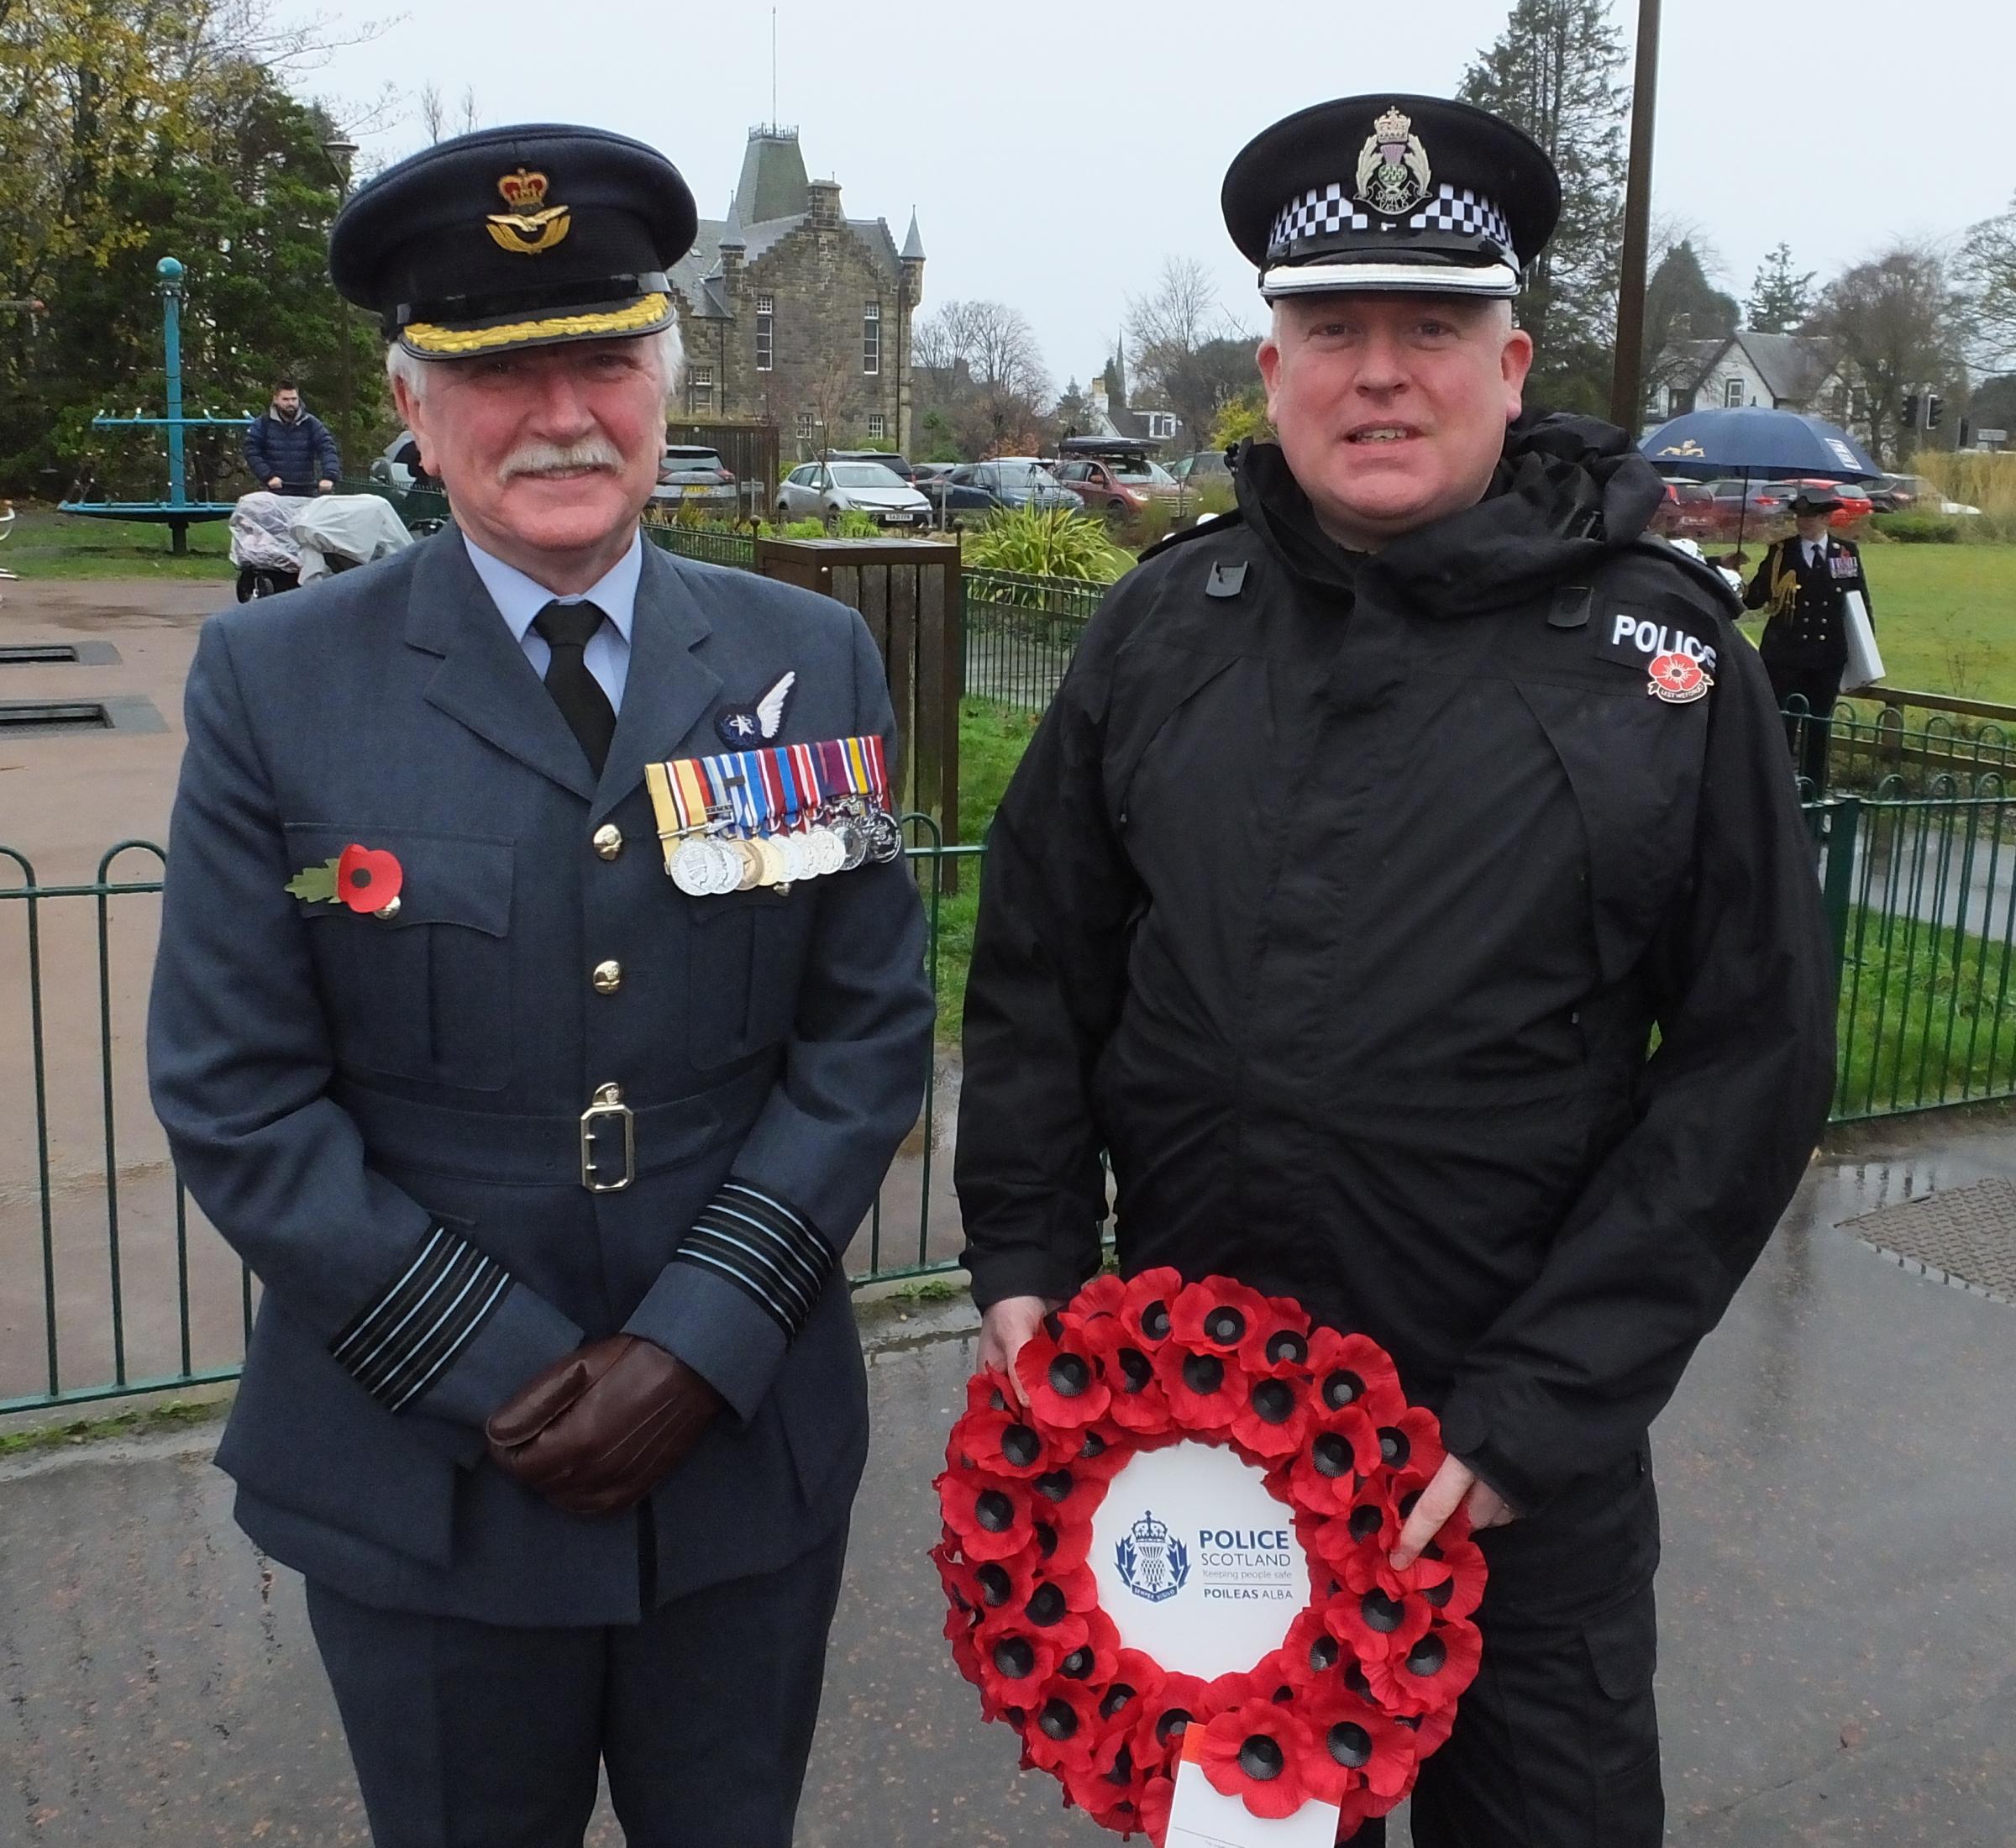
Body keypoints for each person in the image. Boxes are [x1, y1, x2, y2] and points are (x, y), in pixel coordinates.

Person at [954, 93, 1836, 1848]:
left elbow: (1750, 1063)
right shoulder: (1164, 625)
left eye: (1429, 330)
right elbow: (1040, 966)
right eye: (1334, 330)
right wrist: (1028, 1251)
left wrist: (1538, 1410)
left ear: (1510, 366)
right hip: (1205, 1440)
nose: (1380, 373)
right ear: (1269, 368)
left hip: (1511, 1464)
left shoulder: (1659, 658)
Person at [150, 123, 933, 1848]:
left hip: (736, 1463)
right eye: (497, 372)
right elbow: (234, 1087)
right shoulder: (278, 685)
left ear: (665, 383)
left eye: (602, 357)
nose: (560, 412)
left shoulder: (812, 661)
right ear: (412, 411)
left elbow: (864, 1033)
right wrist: (498, 1362)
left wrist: (693, 1343)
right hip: (426, 1474)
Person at [1745, 488, 1875, 792]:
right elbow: (1755, 599)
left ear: (1827, 518)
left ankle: (1815, 794)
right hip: (1785, 658)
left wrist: (1866, 655)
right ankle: (1777, 793)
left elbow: (1860, 604)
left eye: (1811, 516)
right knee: (1782, 727)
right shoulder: (1781, 553)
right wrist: (1737, 580)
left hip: (1827, 657)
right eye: (1799, 516)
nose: (1803, 523)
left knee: (1819, 727)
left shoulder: (1845, 553)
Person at [244, 378, 341, 496]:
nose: (290, 403)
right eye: (285, 399)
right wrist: (268, 477)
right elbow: (251, 451)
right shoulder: (263, 424)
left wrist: (329, 476)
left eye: (294, 399)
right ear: (276, 400)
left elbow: (327, 448)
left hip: (306, 491)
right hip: (273, 492)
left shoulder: (311, 423)